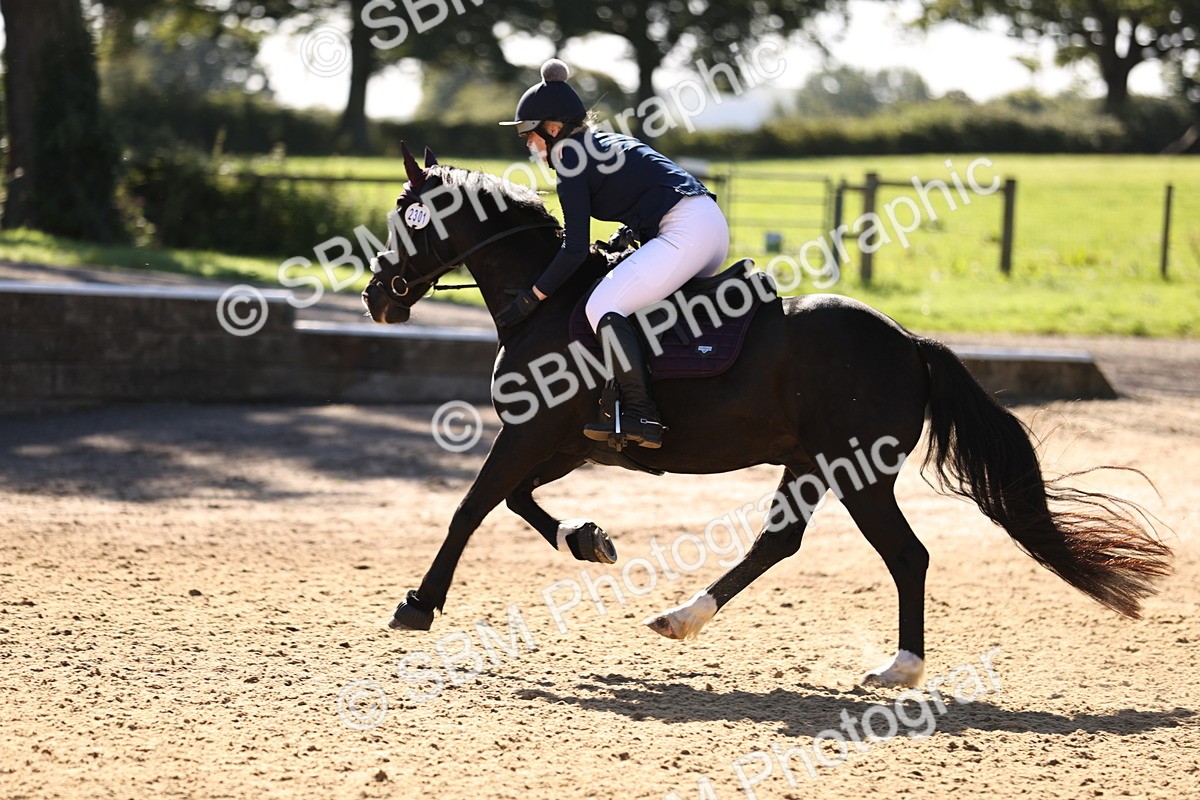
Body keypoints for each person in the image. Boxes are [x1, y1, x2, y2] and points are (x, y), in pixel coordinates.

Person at [497, 59, 730, 449]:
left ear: (552, 129)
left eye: (527, 132)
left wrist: (533, 297)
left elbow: (574, 249)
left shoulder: (569, 158)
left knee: (601, 304)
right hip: (706, 226)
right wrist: (627, 234)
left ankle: (641, 414)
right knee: (631, 301)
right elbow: (646, 188)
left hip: (687, 232)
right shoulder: (602, 140)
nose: (526, 143)